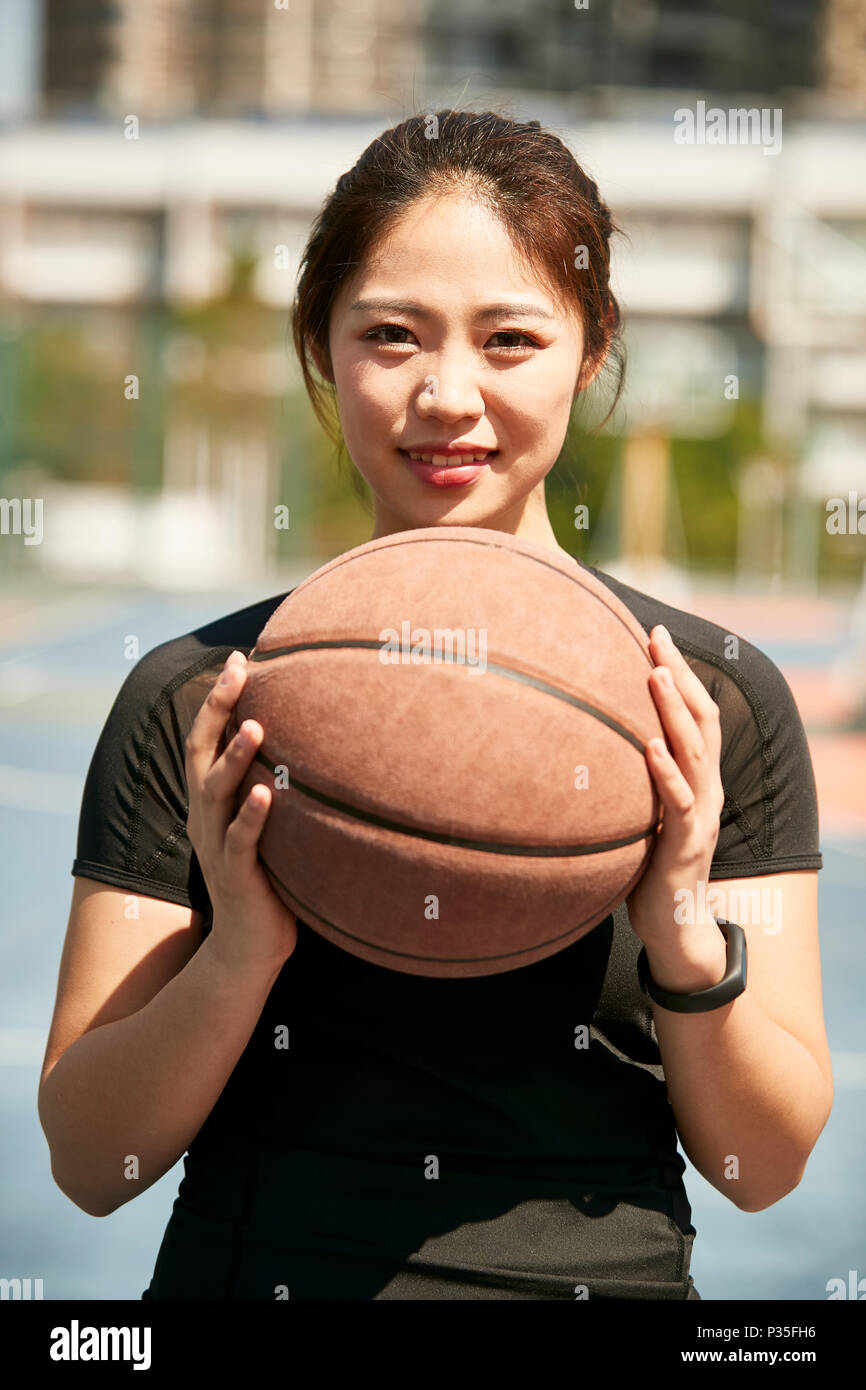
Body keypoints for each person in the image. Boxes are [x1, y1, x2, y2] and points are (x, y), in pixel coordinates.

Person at [38, 110, 833, 1300]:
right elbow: (94, 1161)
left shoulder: (707, 700)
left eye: (510, 338)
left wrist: (675, 926)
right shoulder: (201, 698)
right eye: (391, 335)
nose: (447, 395)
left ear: (591, 345)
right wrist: (242, 954)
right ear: (321, 345)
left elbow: (761, 1165)